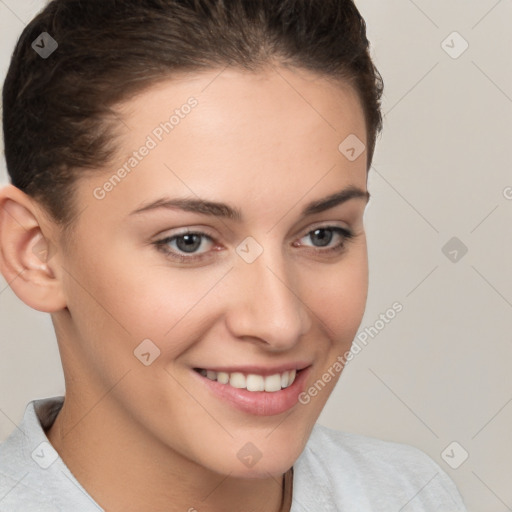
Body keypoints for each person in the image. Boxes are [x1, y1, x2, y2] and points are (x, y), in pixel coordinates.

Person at [0, 0, 469, 510]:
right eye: (189, 241)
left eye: (322, 235)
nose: (279, 323)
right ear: (35, 252)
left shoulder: (410, 494)